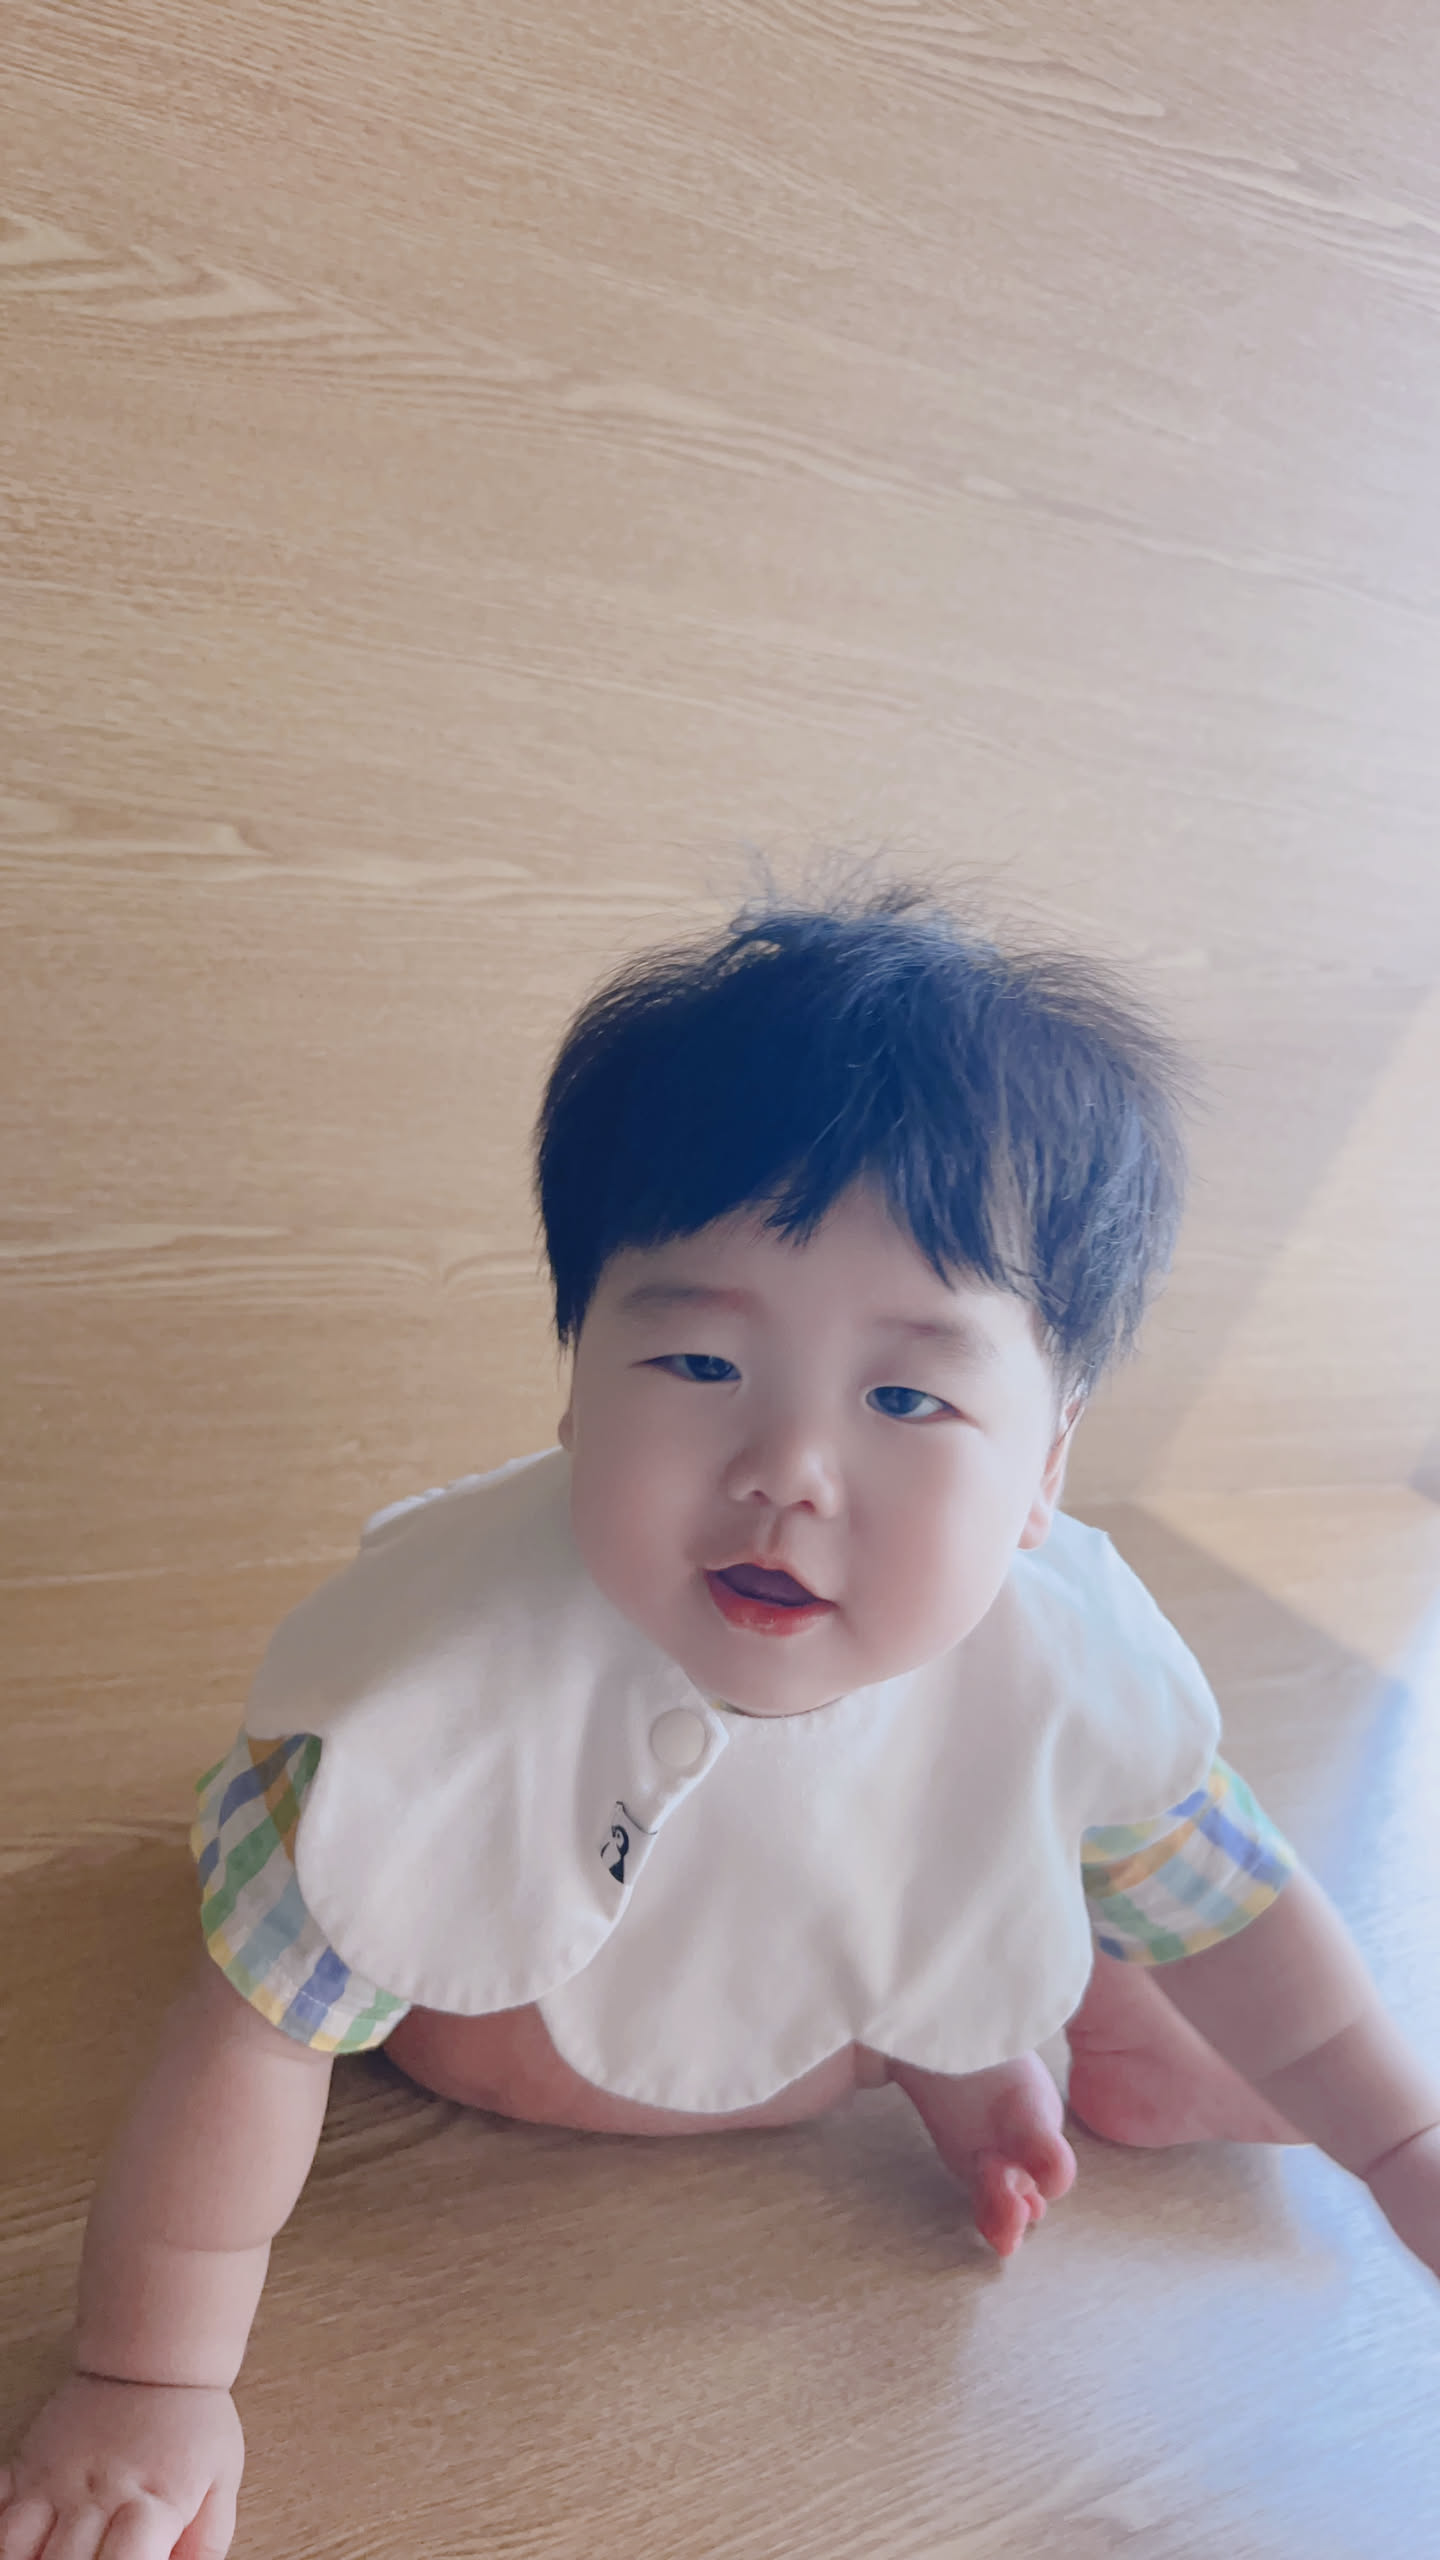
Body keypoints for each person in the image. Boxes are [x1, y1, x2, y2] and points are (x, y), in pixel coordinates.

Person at [3, 884, 1437, 2560]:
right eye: (698, 1366)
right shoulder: (436, 1693)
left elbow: (1245, 1911)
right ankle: (989, 2036)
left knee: (1070, 1880)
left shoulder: (1056, 1668)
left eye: (908, 1396)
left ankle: (1027, 2023)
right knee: (479, 2039)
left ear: (1046, 1465)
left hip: (836, 1956)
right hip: (532, 2005)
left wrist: (1403, 2141)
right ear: (573, 1375)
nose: (787, 1474)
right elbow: (251, 2032)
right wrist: (149, 2378)